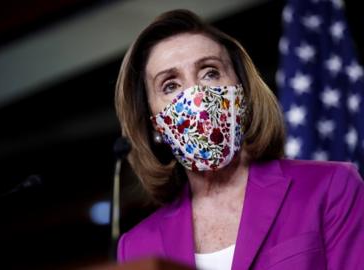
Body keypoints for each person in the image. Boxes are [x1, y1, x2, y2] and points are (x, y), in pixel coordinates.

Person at [114, 9, 364, 270]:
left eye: (210, 72)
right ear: (155, 123)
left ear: (242, 91)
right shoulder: (135, 246)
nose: (196, 96)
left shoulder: (330, 186)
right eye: (170, 85)